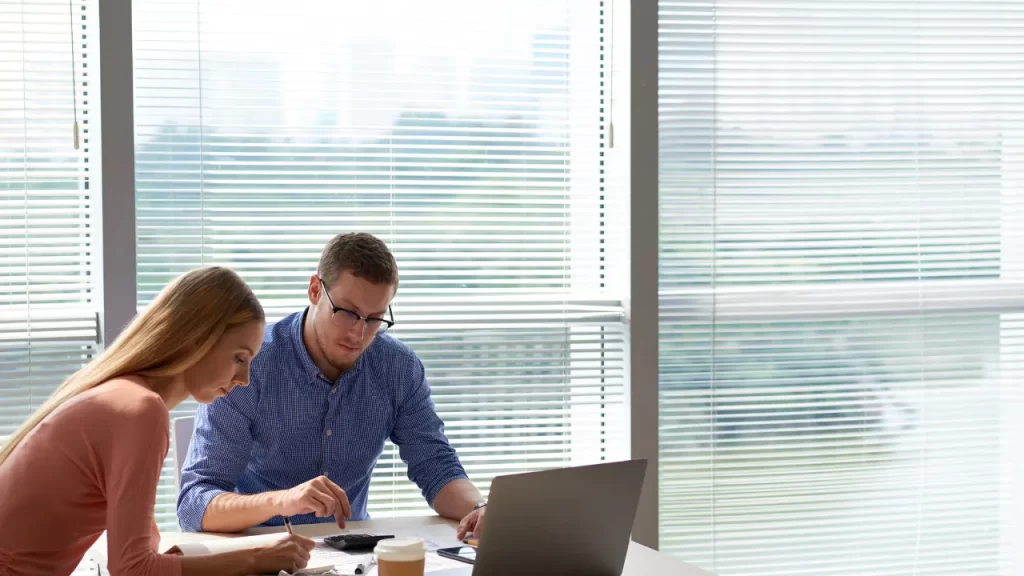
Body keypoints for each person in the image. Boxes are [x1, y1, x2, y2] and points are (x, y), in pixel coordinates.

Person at [0, 268, 315, 576]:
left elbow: (141, 550)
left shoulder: (123, 394)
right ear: (197, 340)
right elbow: (132, 569)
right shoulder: (140, 411)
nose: (244, 379)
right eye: (239, 357)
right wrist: (255, 560)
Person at [177, 233, 488, 540]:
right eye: (347, 313)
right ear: (315, 290)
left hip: (353, 553)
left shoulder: (397, 367)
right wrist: (283, 500)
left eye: (374, 318)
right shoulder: (250, 365)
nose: (358, 333)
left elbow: (435, 466)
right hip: (262, 550)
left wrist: (482, 508)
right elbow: (195, 504)